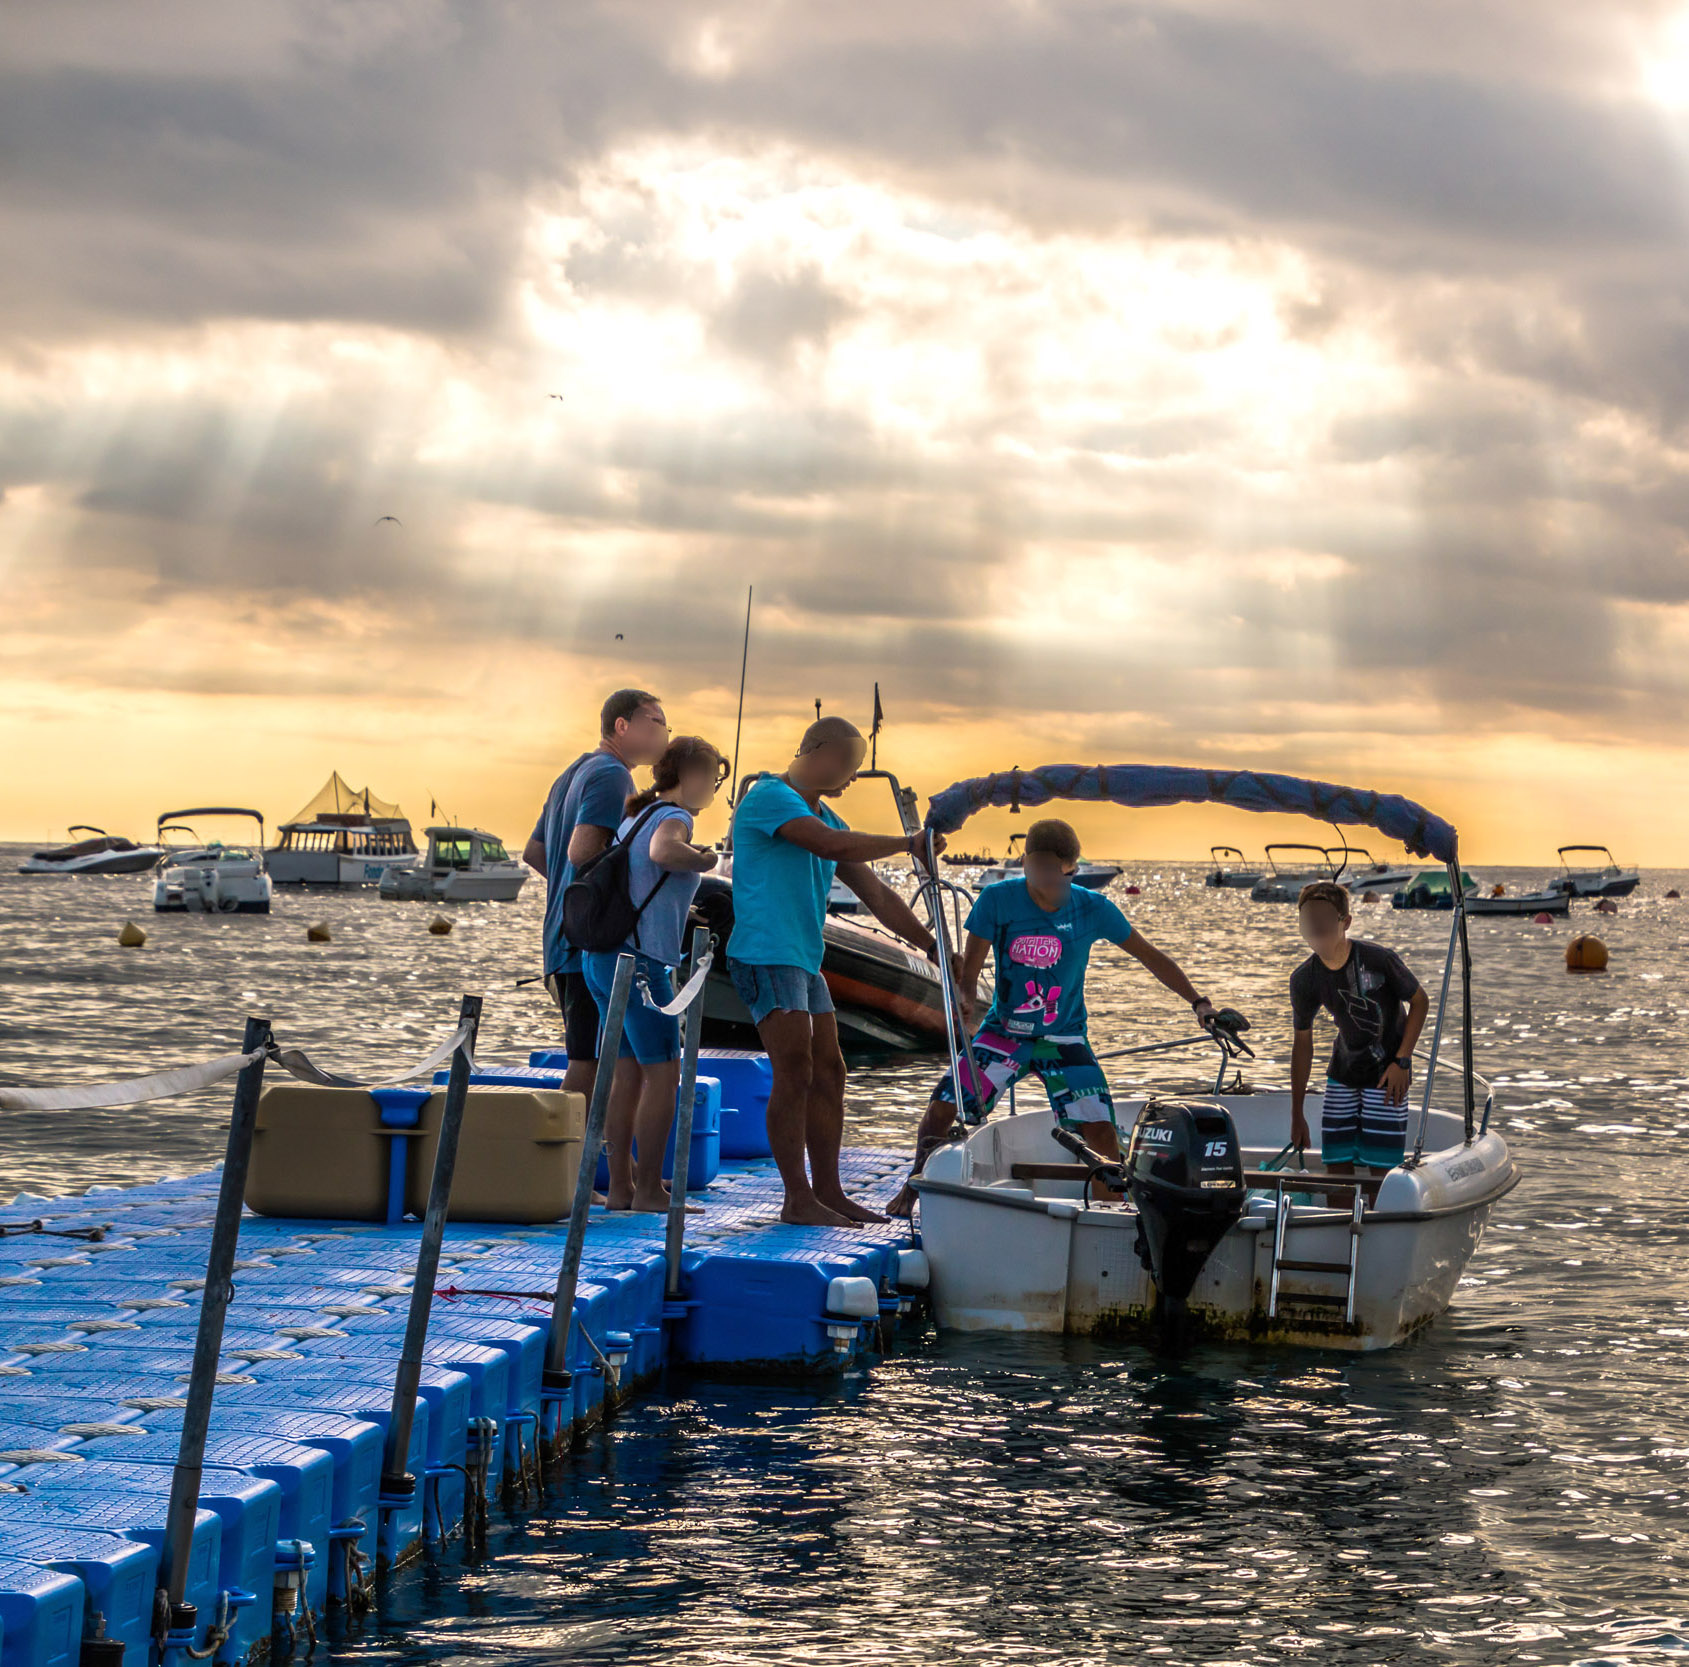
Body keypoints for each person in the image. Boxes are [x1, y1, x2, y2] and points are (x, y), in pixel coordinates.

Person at [888, 817, 1219, 1218]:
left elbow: (1149, 956)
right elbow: (971, 973)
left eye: (1051, 871)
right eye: (1034, 866)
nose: (1041, 878)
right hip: (1004, 1034)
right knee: (944, 1103)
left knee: (1097, 1126)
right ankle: (914, 1187)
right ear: (1024, 860)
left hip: (1064, 1038)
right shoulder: (996, 899)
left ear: (1072, 870)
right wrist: (964, 995)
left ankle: (1111, 1210)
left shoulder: (1093, 907)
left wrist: (1199, 1002)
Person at [726, 715, 951, 1229]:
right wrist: (907, 842)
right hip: (765, 952)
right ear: (817, 750)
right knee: (795, 1071)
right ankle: (796, 1198)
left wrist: (932, 946)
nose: (852, 776)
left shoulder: (832, 818)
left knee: (831, 1071)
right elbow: (826, 846)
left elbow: (876, 895)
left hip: (805, 957)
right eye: (848, 763)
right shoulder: (768, 796)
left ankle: (829, 1191)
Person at [581, 736, 725, 1211]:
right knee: (663, 1077)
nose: (714, 791)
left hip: (603, 959)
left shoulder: (631, 817)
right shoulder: (673, 818)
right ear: (692, 776)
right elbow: (665, 854)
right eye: (714, 779)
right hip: (642, 966)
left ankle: (622, 1186)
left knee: (626, 1077)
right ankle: (649, 1191)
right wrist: (705, 860)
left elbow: (642, 878)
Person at [523, 690, 671, 1106]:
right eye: (656, 722)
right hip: (585, 941)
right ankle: (567, 1163)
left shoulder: (573, 772)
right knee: (591, 1062)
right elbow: (583, 852)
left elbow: (535, 852)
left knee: (594, 1057)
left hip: (561, 936)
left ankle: (603, 1161)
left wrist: (572, 891)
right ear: (622, 726)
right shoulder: (612, 775)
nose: (663, 733)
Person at [1289, 880, 1430, 1174]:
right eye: (1308, 921)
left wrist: (1402, 1061)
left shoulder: (1379, 960)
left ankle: (1380, 1218)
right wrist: (1297, 1113)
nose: (1316, 929)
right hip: (1342, 1074)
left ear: (1345, 922)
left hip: (1387, 1075)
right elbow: (1303, 1044)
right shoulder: (1304, 978)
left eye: (1325, 920)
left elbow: (1420, 1001)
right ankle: (1342, 1219)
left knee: (1381, 1168)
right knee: (1337, 1165)